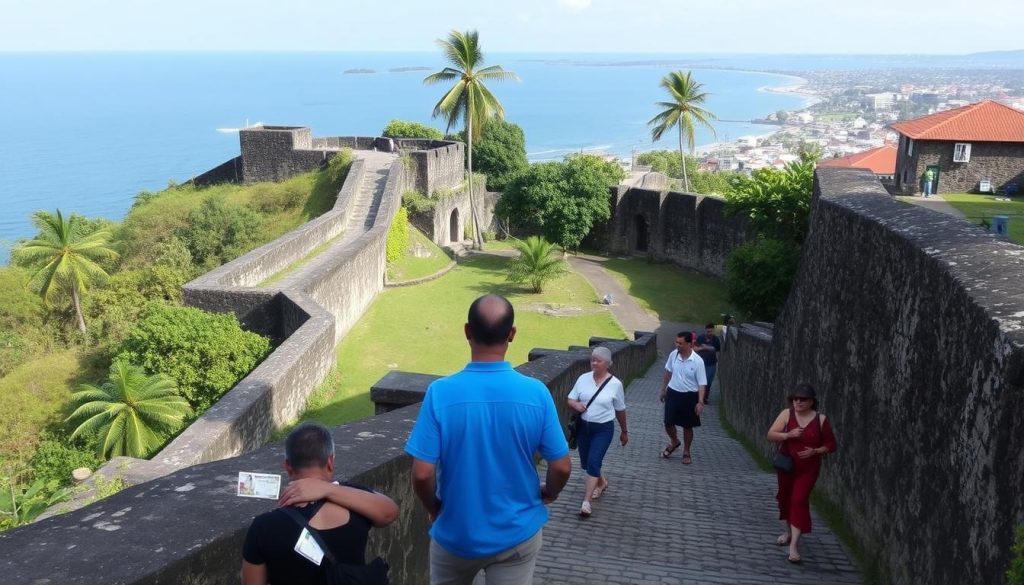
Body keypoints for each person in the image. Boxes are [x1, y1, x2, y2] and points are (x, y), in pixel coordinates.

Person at [405, 294, 572, 585]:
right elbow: (561, 467)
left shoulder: (440, 393)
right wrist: (551, 493)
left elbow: (421, 474)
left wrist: (434, 508)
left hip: (456, 534)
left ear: (467, 331)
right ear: (512, 334)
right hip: (517, 533)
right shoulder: (536, 394)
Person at [241, 422, 400, 585]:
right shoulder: (357, 502)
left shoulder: (264, 526)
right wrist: (329, 489)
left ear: (288, 467)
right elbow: (390, 512)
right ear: (330, 462)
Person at [766, 384, 837, 564]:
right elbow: (771, 434)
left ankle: (794, 547)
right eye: (795, 398)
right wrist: (788, 435)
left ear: (811, 401)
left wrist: (816, 451)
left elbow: (831, 445)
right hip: (787, 466)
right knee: (785, 498)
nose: (797, 401)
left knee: (798, 500)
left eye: (802, 399)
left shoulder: (820, 420)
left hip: (808, 469)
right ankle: (788, 531)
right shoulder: (787, 414)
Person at [567, 346, 627, 518]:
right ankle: (601, 482)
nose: (594, 363)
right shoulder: (583, 379)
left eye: (598, 360)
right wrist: (576, 404)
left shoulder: (616, 385)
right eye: (592, 359)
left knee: (594, 462)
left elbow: (620, 410)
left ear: (607, 364)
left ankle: (586, 503)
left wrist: (624, 431)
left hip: (603, 429)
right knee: (587, 464)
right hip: (584, 428)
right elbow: (570, 398)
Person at [659, 331, 707, 465]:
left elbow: (702, 383)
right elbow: (668, 372)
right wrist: (663, 389)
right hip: (673, 392)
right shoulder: (673, 355)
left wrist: (700, 402)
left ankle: (686, 451)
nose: (677, 345)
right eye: (676, 342)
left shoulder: (698, 361)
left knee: (687, 425)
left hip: (689, 395)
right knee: (668, 422)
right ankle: (675, 441)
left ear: (689, 344)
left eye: (681, 343)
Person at [695, 323, 721, 405]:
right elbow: (695, 348)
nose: (709, 333)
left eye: (711, 331)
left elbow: (715, 349)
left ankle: (705, 397)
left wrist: (705, 347)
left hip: (711, 364)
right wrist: (702, 348)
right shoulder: (700, 338)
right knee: (699, 381)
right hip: (701, 363)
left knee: (708, 382)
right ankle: (699, 397)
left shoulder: (716, 339)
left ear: (713, 330)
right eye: (708, 331)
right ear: (705, 330)